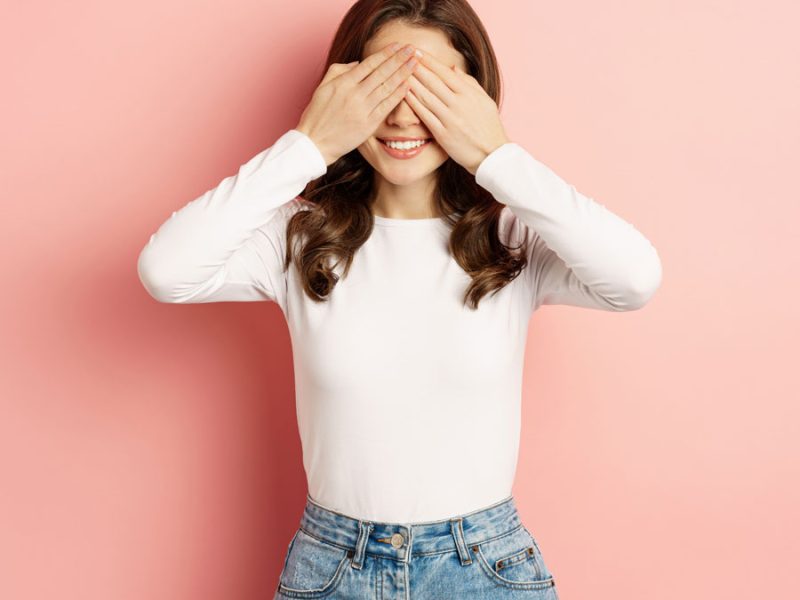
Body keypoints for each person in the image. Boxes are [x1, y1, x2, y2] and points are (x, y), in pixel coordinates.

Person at [137, 1, 662, 597]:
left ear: (474, 99)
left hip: (485, 569)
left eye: (434, 89)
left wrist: (497, 156)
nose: (404, 115)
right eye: (381, 84)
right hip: (333, 568)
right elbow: (165, 270)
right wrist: (309, 145)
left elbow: (635, 278)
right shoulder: (297, 239)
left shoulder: (513, 240)